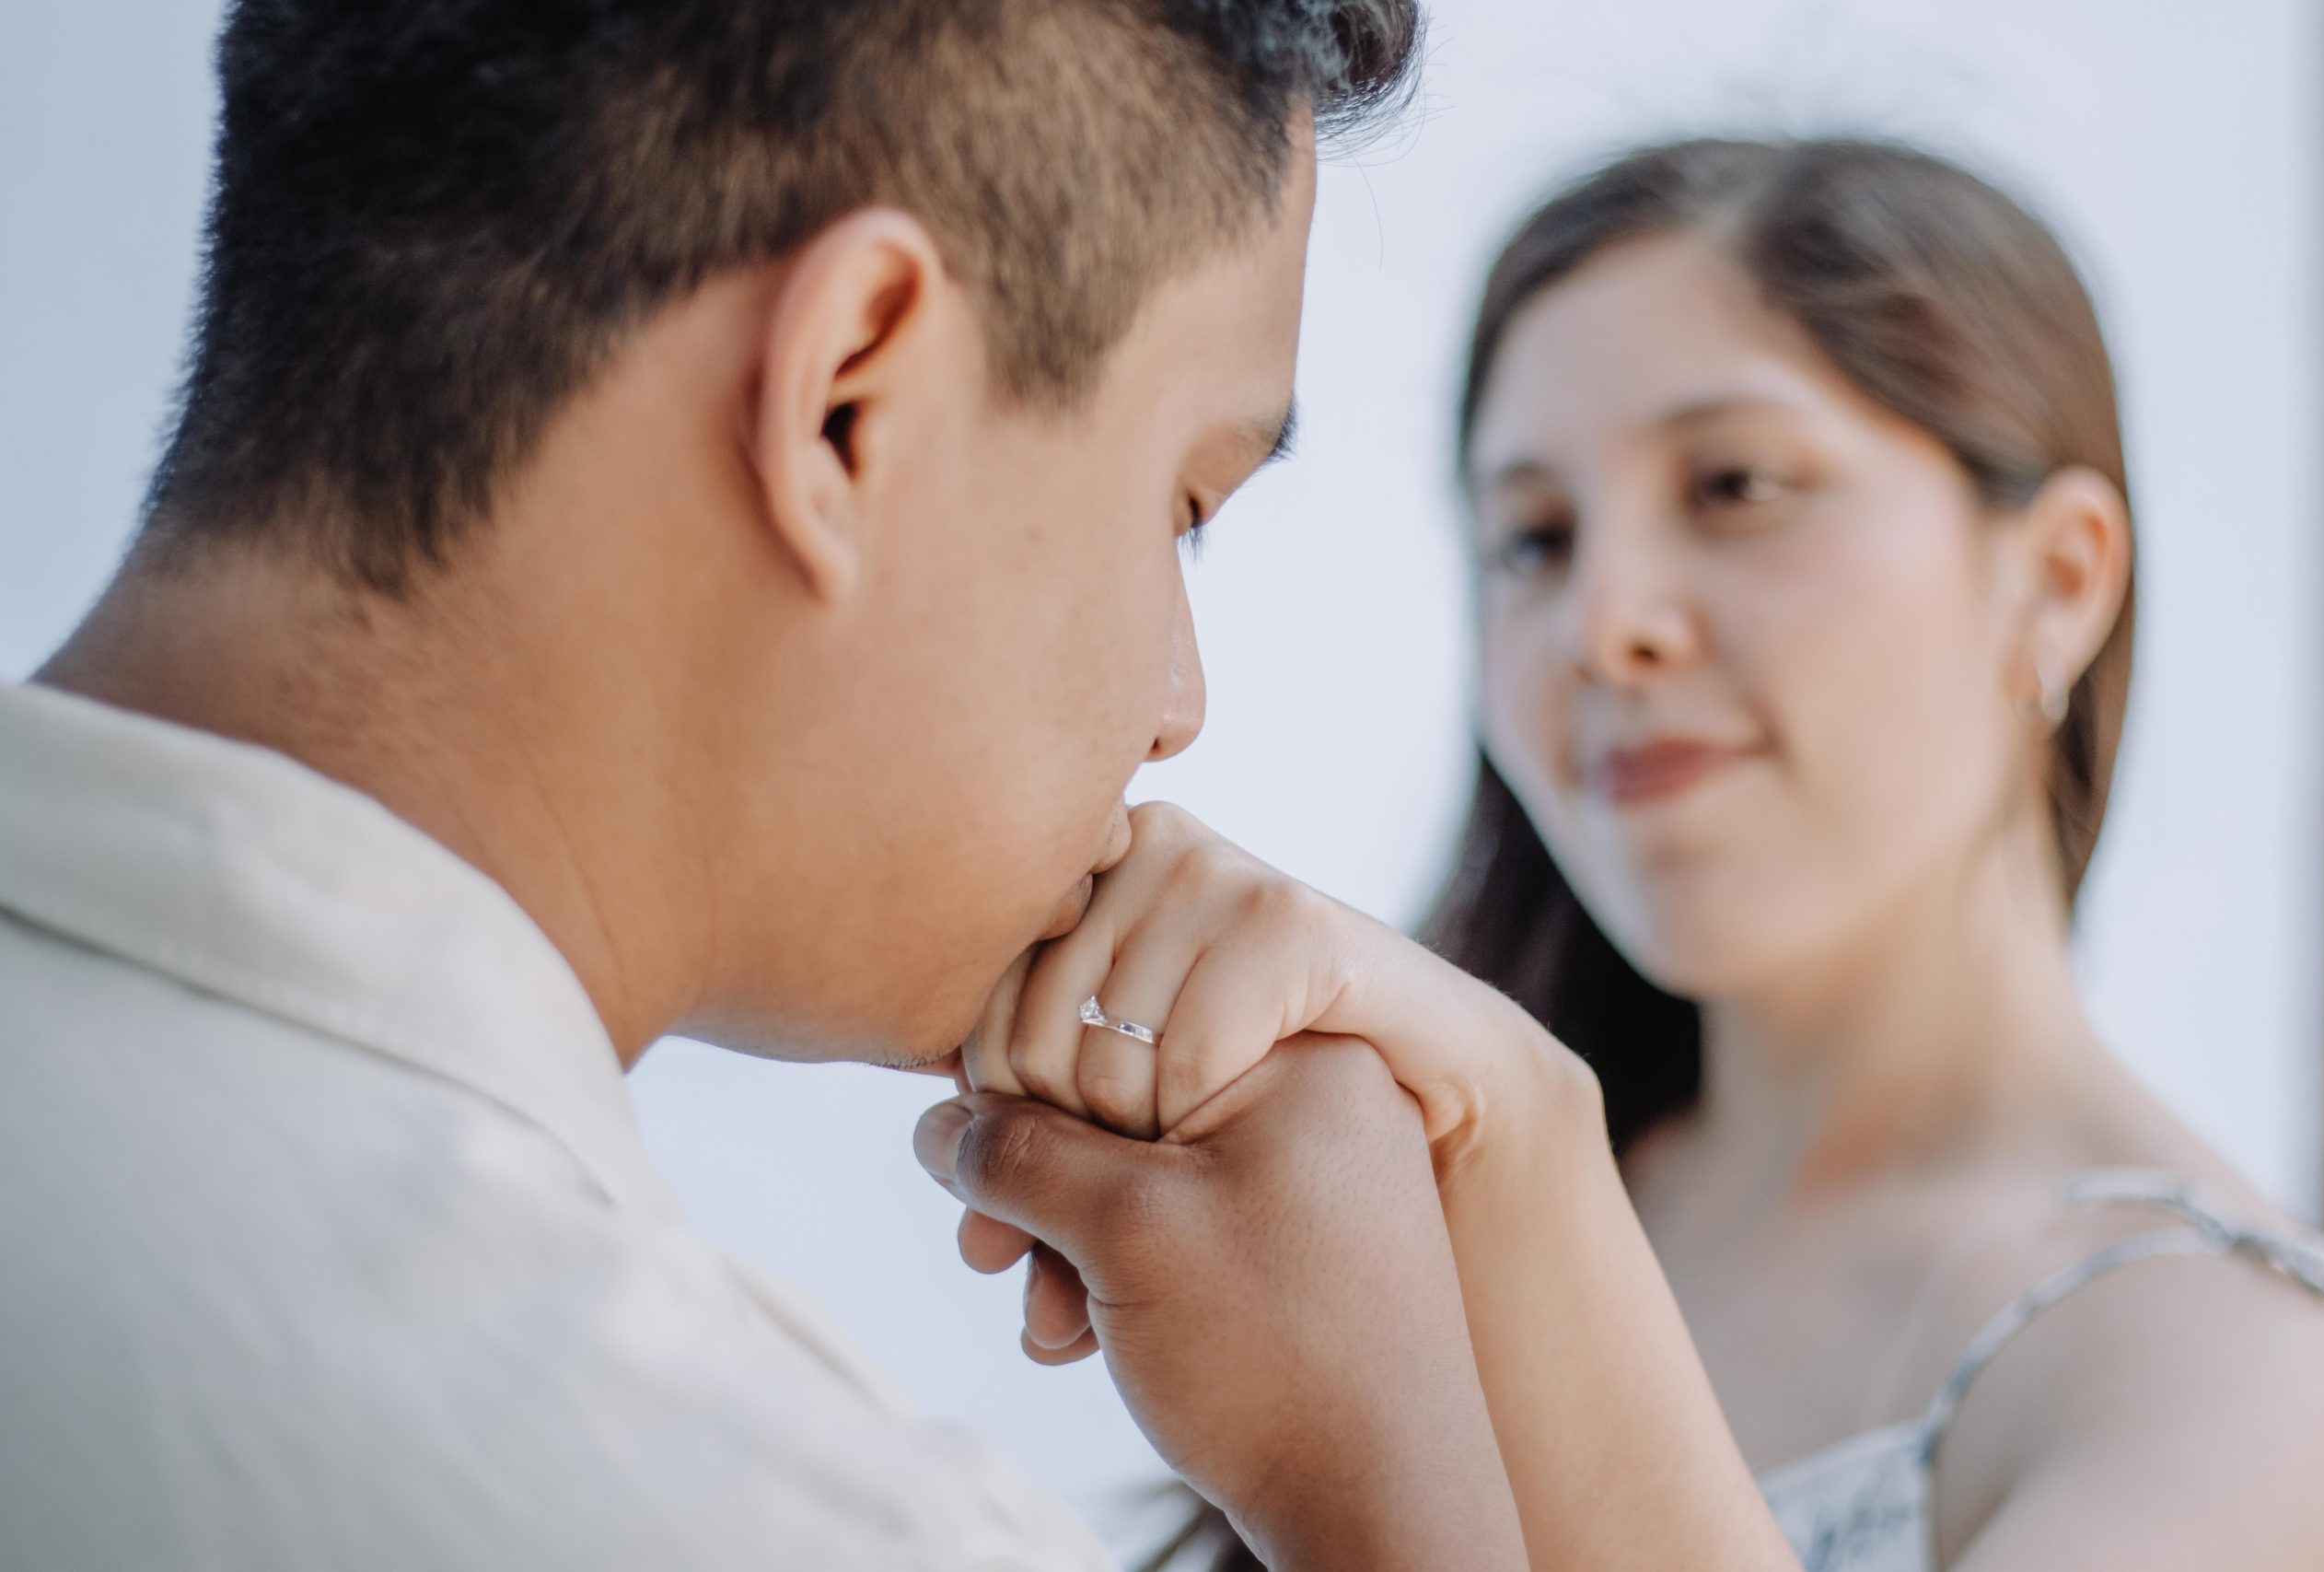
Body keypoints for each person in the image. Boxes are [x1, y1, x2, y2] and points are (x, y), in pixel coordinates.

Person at [0, 5, 1554, 1569]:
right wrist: (1383, 1493)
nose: (1178, 710)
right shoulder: (740, 1518)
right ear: (844, 402)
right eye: (1184, 505)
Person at [940, 138, 2324, 1572]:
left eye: (1737, 486)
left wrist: (1531, 1157)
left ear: (2055, 582)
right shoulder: (1369, 1188)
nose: (1603, 623)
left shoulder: (2256, 1385)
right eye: (1534, 540)